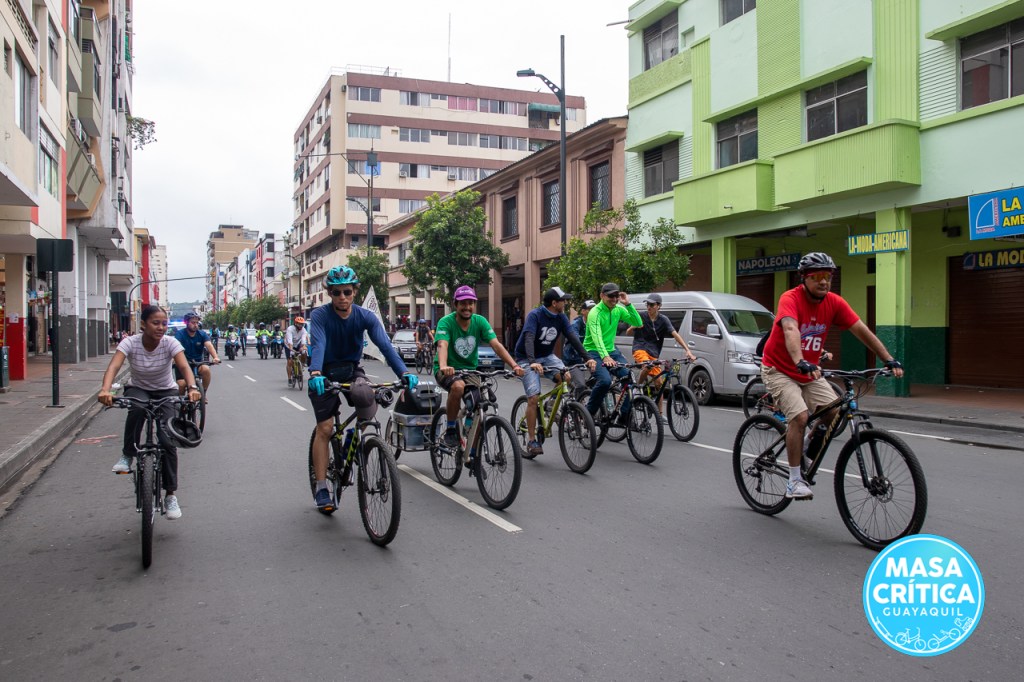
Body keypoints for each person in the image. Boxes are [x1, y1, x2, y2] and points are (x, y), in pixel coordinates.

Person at [761, 252, 904, 500]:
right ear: (804, 279)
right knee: (800, 415)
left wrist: (888, 358)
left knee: (834, 412)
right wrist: (800, 360)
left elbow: (861, 330)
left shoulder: (834, 303)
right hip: (780, 369)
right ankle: (794, 481)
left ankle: (808, 444)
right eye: (816, 277)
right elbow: (790, 328)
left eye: (827, 276)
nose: (823, 282)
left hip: (809, 371)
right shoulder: (790, 298)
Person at [307, 266, 418, 513]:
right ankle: (322, 486)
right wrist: (315, 372)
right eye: (336, 293)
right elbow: (319, 344)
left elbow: (386, 347)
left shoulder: (365, 316)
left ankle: (351, 442)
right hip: (323, 373)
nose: (342, 297)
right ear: (330, 294)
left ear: (355, 291)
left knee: (367, 410)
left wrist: (405, 372)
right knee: (325, 428)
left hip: (351, 371)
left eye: (347, 291)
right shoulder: (320, 316)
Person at [98, 304, 202, 520]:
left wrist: (192, 388)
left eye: (164, 323)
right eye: (156, 323)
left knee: (167, 439)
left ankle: (171, 494)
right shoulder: (130, 342)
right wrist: (105, 390)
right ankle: (128, 454)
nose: (161, 327)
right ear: (143, 325)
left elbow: (183, 367)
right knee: (136, 408)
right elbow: (114, 367)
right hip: (139, 388)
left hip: (166, 390)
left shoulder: (170, 343)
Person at [435, 285, 524, 449]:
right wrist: (443, 365)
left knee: (479, 405)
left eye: (470, 303)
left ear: (474, 305)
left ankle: (472, 454)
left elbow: (496, 345)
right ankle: (450, 429)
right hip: (447, 370)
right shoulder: (445, 322)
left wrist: (514, 365)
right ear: (456, 305)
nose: (467, 307)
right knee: (458, 387)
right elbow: (442, 345)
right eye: (463, 303)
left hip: (470, 370)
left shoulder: (480, 321)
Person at [513, 287, 596, 456]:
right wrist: (532, 362)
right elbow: (529, 337)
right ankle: (531, 440)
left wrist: (587, 358)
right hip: (526, 358)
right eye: (563, 300)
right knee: (533, 398)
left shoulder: (561, 318)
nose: (565, 303)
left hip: (547, 356)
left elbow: (572, 338)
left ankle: (550, 404)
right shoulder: (535, 315)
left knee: (566, 376)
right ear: (554, 303)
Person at [631, 293, 697, 422]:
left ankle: (659, 414)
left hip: (654, 352)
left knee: (659, 384)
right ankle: (637, 389)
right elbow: (628, 330)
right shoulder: (642, 316)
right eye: (647, 304)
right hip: (640, 348)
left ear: (658, 306)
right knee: (647, 365)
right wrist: (633, 327)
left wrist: (688, 350)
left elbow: (675, 335)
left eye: (651, 305)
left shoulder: (663, 320)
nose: (648, 307)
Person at [584, 283, 643, 421]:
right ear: (602, 296)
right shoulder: (595, 313)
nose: (614, 299)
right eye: (611, 296)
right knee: (605, 381)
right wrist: (605, 357)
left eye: (616, 296)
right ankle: (588, 414)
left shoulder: (618, 309)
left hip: (611, 350)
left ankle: (623, 415)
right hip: (593, 351)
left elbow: (638, 322)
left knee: (629, 377)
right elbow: (597, 337)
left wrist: (628, 304)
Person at [174, 311, 221, 394]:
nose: (195, 325)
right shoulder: (180, 334)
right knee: (182, 385)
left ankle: (204, 393)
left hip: (198, 363)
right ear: (186, 323)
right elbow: (175, 347)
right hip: (183, 364)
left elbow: (209, 345)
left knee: (206, 369)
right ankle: (182, 405)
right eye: (193, 322)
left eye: (197, 322)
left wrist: (215, 357)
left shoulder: (202, 334)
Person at [285, 316, 311, 387]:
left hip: (298, 344)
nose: (300, 325)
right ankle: (290, 379)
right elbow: (289, 340)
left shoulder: (304, 330)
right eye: (299, 324)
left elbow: (303, 341)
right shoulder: (290, 329)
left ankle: (301, 366)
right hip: (289, 345)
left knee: (304, 352)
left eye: (302, 324)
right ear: (295, 323)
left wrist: (304, 347)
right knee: (290, 361)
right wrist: (291, 348)